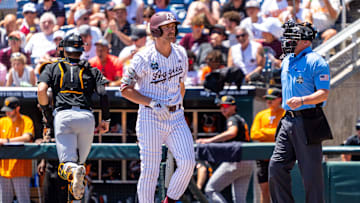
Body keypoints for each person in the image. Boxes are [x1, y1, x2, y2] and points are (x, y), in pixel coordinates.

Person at [120, 11, 196, 203]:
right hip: (150, 116)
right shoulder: (142, 57)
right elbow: (125, 89)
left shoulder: (180, 52)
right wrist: (151, 102)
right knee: (150, 169)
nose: (172, 30)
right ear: (156, 30)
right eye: (167, 27)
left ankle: (169, 201)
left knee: (188, 163)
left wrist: (176, 105)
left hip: (176, 116)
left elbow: (181, 85)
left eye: (173, 26)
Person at [37, 33, 111, 200]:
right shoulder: (92, 69)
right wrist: (105, 119)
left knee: (68, 166)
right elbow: (103, 94)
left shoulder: (52, 67)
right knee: (80, 165)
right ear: (81, 49)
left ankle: (73, 171)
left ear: (64, 49)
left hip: (63, 115)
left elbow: (41, 90)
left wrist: (46, 114)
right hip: (86, 116)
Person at [268, 20, 331, 203]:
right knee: (276, 167)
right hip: (287, 119)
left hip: (308, 119)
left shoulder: (316, 61)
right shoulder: (286, 60)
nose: (287, 41)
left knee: (311, 175)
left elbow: (323, 93)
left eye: (292, 38)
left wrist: (303, 100)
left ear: (305, 41)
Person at [196, 95, 253, 203]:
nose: (223, 108)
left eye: (226, 105)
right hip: (248, 161)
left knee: (210, 190)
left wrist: (209, 140)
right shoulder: (239, 118)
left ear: (234, 106)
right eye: (221, 106)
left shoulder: (233, 118)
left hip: (236, 158)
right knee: (240, 199)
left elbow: (232, 132)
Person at [250, 88, 285, 203]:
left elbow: (283, 133)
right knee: (264, 189)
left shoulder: (284, 113)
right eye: (267, 99)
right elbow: (254, 134)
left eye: (272, 99)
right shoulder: (261, 115)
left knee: (279, 188)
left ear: (279, 99)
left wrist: (264, 132)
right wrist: (272, 132)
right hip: (263, 156)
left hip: (280, 155)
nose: (269, 101)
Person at [0, 96, 34, 203]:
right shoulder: (2, 121)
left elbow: (27, 137)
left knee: (23, 200)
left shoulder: (26, 120)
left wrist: (7, 140)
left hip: (21, 169)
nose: (8, 113)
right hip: (3, 170)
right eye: (6, 111)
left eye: (10, 110)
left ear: (17, 108)